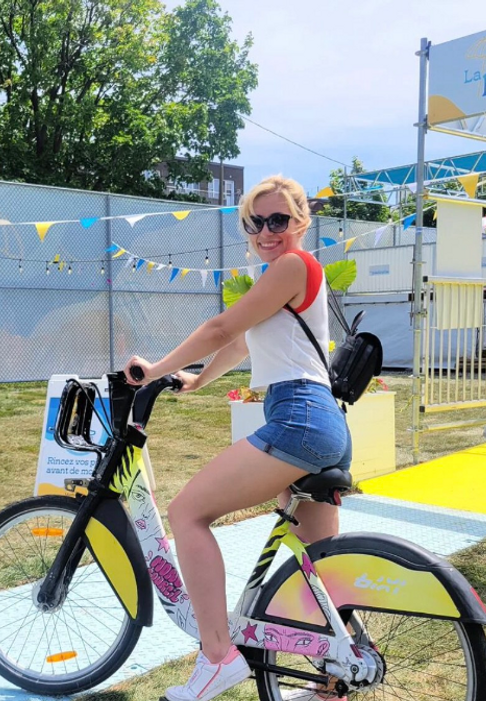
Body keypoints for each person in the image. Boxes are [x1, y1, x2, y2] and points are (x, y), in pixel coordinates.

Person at [123, 175, 352, 701]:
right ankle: (336, 676)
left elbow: (221, 329)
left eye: (279, 220)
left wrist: (155, 366)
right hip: (323, 423)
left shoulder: (293, 265)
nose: (266, 231)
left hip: (299, 418)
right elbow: (245, 342)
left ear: (301, 221)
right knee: (321, 566)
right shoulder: (286, 277)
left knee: (187, 514)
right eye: (256, 222)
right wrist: (196, 378)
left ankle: (217, 657)